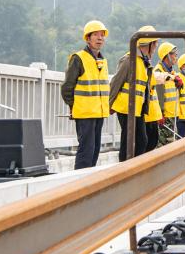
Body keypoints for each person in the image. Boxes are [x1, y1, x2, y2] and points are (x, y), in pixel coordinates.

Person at [61, 20, 110, 169]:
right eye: (96, 35)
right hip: (85, 113)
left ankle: (90, 178)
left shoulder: (102, 61)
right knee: (86, 150)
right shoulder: (78, 58)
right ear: (88, 38)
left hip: (99, 113)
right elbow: (67, 87)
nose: (100, 38)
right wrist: (74, 106)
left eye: (102, 35)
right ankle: (79, 179)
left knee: (95, 150)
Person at [109, 25, 158, 161]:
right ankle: (124, 168)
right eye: (155, 43)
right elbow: (116, 82)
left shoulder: (143, 61)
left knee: (142, 140)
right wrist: (109, 104)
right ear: (149, 44)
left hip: (137, 109)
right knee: (129, 141)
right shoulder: (129, 60)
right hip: (126, 108)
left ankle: (135, 166)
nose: (156, 47)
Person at [153, 42, 185, 147]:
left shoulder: (172, 72)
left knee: (172, 144)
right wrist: (160, 114)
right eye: (174, 54)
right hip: (165, 117)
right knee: (163, 146)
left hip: (173, 115)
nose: (176, 57)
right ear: (167, 55)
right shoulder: (159, 71)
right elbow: (159, 96)